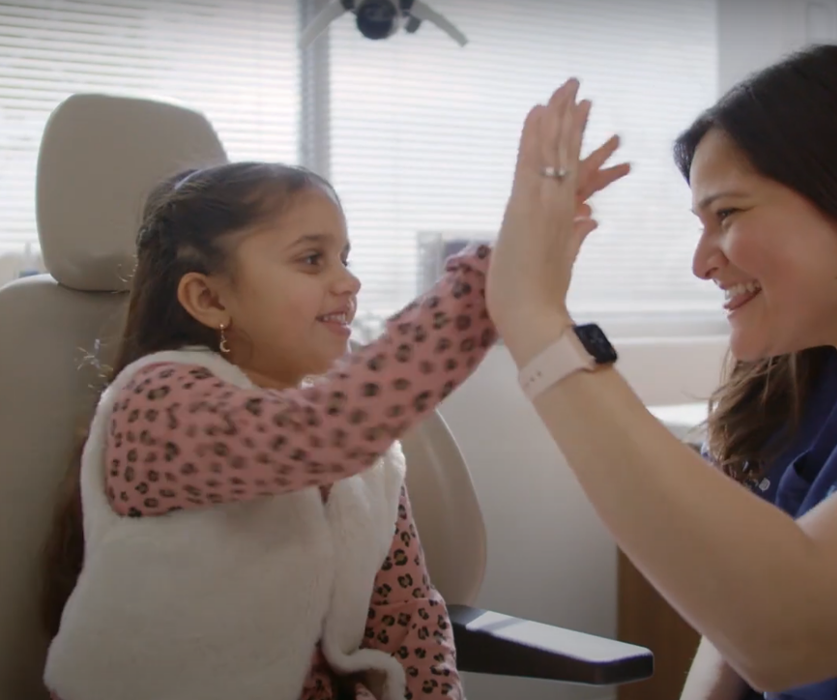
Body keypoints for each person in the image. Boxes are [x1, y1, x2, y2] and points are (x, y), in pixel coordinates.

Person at [486, 45, 837, 700]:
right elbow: (734, 630)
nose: (702, 264)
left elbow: (790, 627)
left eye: (727, 215)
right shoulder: (807, 379)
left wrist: (536, 321)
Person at [40, 156, 627, 700]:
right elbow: (315, 435)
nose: (348, 282)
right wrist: (494, 280)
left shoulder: (366, 457)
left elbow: (410, 624)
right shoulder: (155, 405)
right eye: (312, 259)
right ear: (208, 298)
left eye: (347, 257)